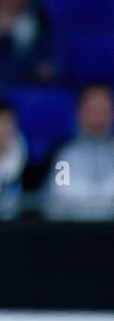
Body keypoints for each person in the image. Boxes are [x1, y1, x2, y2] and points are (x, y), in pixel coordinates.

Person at [45, 83, 114, 220]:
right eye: (93, 110)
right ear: (80, 113)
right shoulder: (64, 156)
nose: (99, 118)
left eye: (104, 110)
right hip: (74, 234)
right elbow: (59, 197)